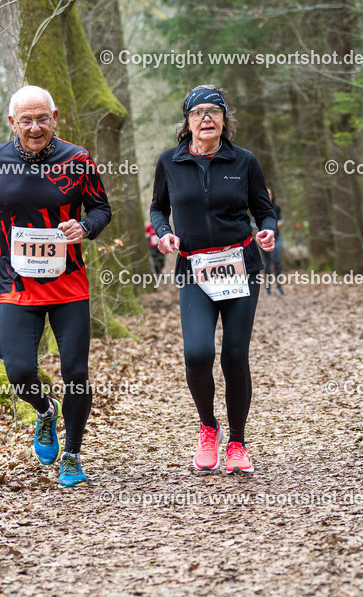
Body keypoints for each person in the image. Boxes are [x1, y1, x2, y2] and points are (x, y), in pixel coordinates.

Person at [0, 85, 111, 488]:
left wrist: (85, 226)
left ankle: (73, 455)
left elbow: (101, 208)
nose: (35, 127)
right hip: (16, 283)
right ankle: (46, 411)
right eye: (26, 120)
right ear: (12, 122)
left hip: (68, 284)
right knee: (19, 371)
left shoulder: (78, 159)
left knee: (75, 372)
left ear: (55, 118)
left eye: (42, 118)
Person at [150, 84, 277, 474]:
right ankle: (209, 427)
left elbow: (264, 210)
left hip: (241, 267)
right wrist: (164, 233)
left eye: (214, 111)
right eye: (198, 113)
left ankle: (237, 442)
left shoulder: (244, 161)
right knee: (197, 353)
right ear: (187, 122)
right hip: (194, 269)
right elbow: (157, 209)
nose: (206, 118)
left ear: (224, 120)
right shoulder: (169, 162)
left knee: (235, 356)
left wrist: (268, 230)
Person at [262, 187, 285, 295]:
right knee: (267, 264)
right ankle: (268, 289)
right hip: (264, 240)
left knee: (277, 262)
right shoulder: (258, 208)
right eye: (266, 194)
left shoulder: (277, 208)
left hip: (277, 239)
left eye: (270, 194)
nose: (268, 196)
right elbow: (253, 222)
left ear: (272, 196)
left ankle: (279, 287)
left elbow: (281, 220)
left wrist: (279, 223)